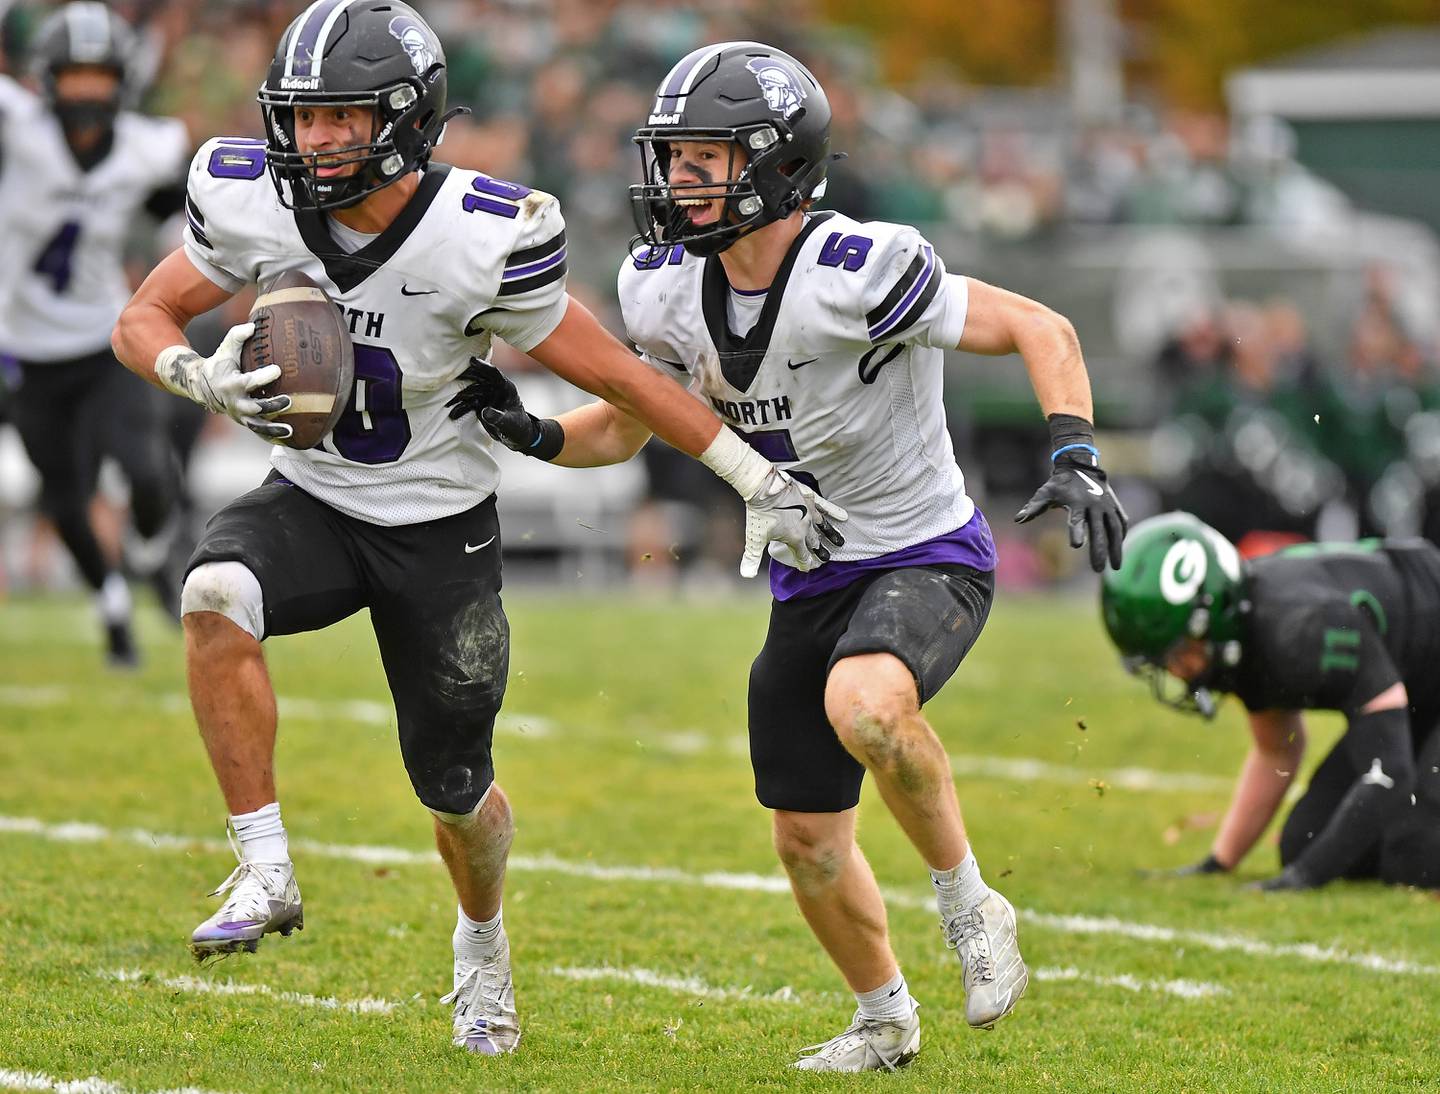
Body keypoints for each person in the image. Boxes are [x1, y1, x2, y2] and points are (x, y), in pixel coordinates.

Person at [110, 5, 843, 1059]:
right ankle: (263, 863)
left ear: (407, 121)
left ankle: (482, 941)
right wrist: (197, 373)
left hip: (438, 525)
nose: (313, 141)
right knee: (212, 593)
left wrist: (748, 473)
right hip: (312, 495)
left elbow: (619, 378)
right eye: (302, 118)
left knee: (456, 792)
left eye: (340, 120)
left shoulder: (485, 234)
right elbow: (143, 313)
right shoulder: (249, 195)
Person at [446, 41, 1129, 1072]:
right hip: (809, 569)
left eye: (704, 159)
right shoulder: (665, 285)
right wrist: (537, 432)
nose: (677, 180)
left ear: (774, 165)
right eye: (673, 157)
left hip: (924, 550)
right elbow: (634, 422)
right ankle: (884, 1015)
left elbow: (1041, 324)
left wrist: (1076, 449)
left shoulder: (862, 270)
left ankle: (972, 905)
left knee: (866, 707)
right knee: (806, 840)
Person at [1100, 511, 1440, 891]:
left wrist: (1305, 879)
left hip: (1427, 666)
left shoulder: (1301, 628)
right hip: (1417, 688)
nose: (1178, 671)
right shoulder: (1243, 636)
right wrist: (1219, 862)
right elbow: (1276, 752)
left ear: (1215, 611)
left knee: (1416, 857)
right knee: (1304, 841)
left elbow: (1389, 771)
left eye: (1180, 652)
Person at [0, 1, 192, 665]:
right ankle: (112, 603)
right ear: (46, 79)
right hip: (26, 345)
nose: (86, 93)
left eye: (99, 77)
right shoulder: (16, 130)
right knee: (64, 494)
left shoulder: (148, 148)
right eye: (73, 76)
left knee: (145, 468)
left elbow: (191, 218)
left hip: (106, 335)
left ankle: (148, 557)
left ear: (123, 81)